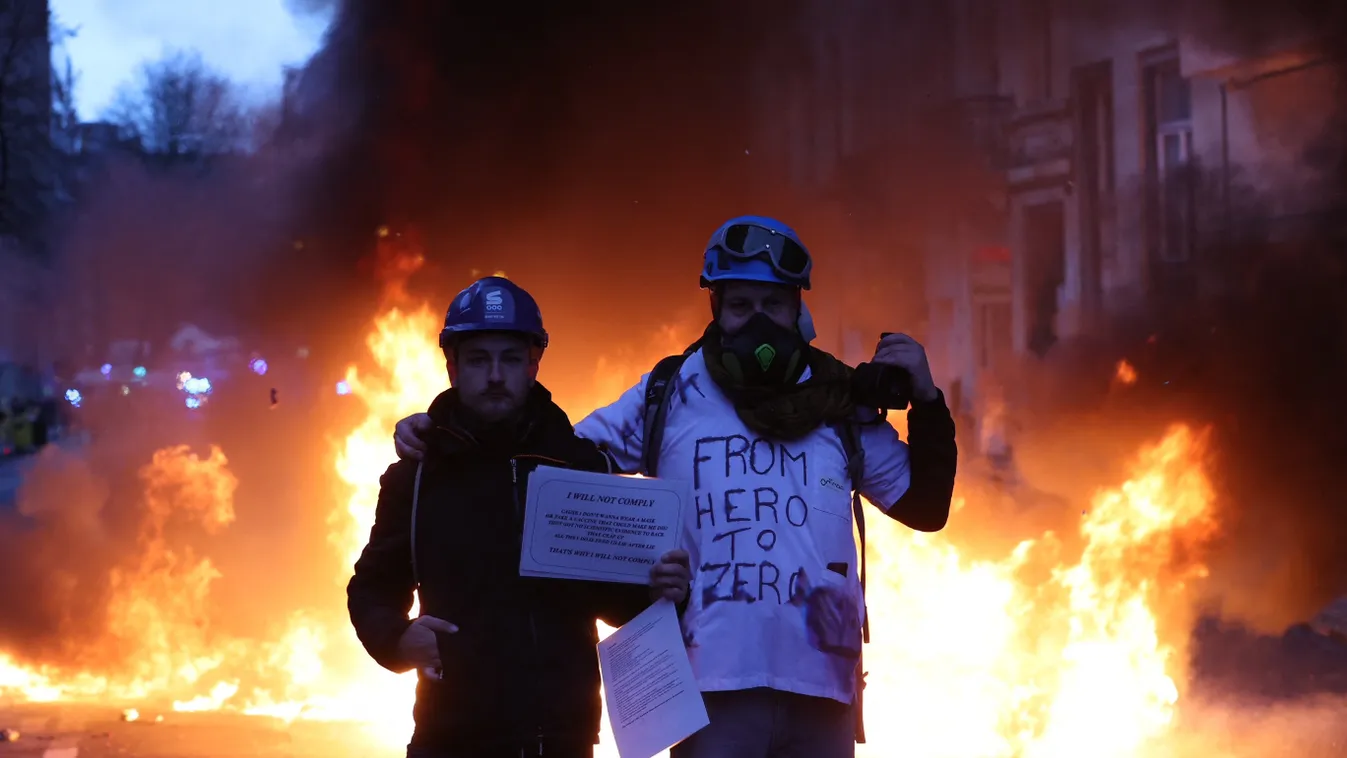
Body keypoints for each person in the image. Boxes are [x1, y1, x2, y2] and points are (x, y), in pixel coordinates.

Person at [391, 218, 958, 758]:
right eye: (740, 306)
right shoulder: (670, 391)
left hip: (823, 686)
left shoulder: (840, 401)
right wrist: (442, 427)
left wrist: (928, 404)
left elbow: (926, 507)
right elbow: (553, 474)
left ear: (797, 308)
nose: (758, 322)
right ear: (714, 307)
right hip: (707, 687)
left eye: (774, 305)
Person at [347, 276, 692, 758]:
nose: (494, 375)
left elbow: (611, 599)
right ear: (452, 367)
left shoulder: (578, 468)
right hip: (449, 736)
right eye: (478, 359)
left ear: (533, 366)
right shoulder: (416, 479)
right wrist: (397, 639)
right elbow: (372, 586)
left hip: (558, 739)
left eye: (509, 359)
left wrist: (660, 591)